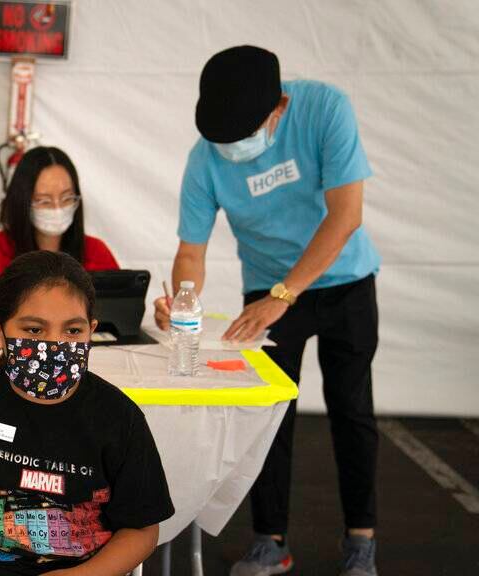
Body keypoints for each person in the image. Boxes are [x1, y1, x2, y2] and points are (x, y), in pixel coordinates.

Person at [154, 46, 381, 576]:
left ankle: (361, 538)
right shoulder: (204, 158)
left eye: (244, 135)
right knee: (270, 414)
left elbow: (346, 214)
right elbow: (191, 252)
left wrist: (286, 294)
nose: (233, 149)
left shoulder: (325, 108)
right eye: (223, 139)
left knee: (352, 410)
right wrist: (183, 299)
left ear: (279, 107)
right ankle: (270, 540)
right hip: (265, 291)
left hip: (344, 279)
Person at [0, 251, 174, 576]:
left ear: (91, 330)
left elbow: (142, 529)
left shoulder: (119, 418)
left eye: (73, 331)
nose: (55, 344)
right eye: (34, 330)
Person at [0, 147, 119, 314]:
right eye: (44, 201)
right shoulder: (3, 245)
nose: (57, 208)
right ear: (23, 202)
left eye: (67, 198)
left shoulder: (95, 249)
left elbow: (122, 304)